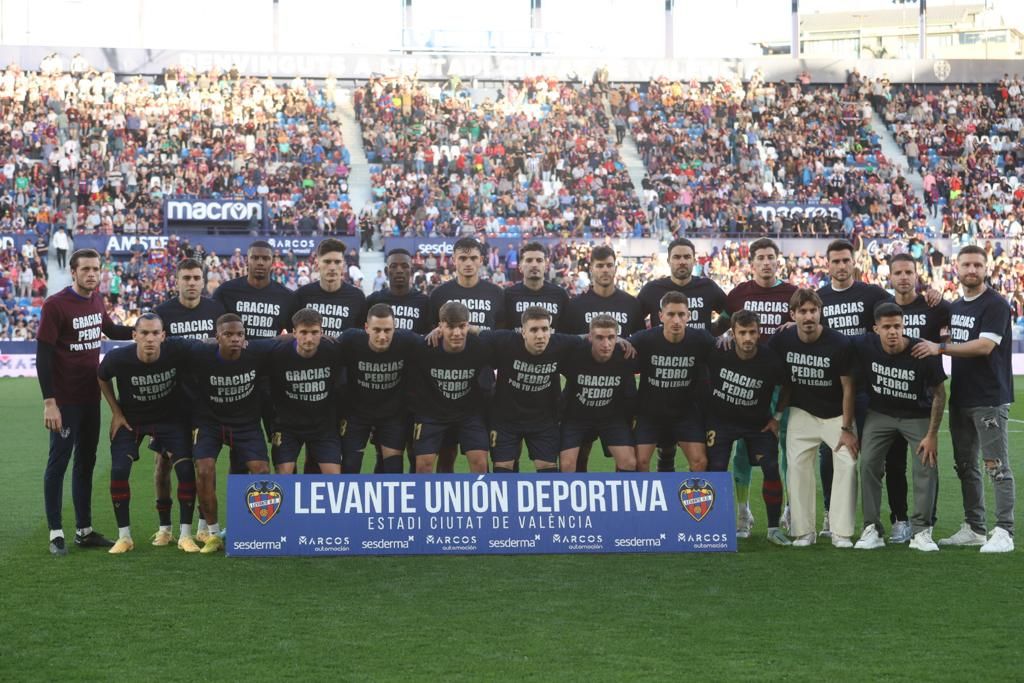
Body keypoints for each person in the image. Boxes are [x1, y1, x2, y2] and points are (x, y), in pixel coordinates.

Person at [912, 245, 1016, 553]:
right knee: (965, 465)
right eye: (966, 265)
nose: (972, 270)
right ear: (956, 269)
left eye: (977, 265)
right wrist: (933, 295)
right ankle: (975, 527)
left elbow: (984, 346)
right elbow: (936, 310)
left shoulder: (995, 304)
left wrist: (939, 348)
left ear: (986, 269)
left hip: (989, 397)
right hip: (962, 397)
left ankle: (1005, 531)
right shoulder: (956, 307)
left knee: (996, 465)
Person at [36, 248, 134, 555]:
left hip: (91, 397)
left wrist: (144, 329)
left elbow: (111, 329)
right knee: (59, 463)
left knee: (86, 463)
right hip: (64, 401)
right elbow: (43, 357)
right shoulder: (55, 305)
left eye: (96, 269)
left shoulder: (95, 300)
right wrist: (49, 402)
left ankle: (84, 529)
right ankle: (55, 533)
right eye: (86, 269)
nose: (92, 274)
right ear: (73, 272)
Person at [96, 313, 200, 554]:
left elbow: (207, 346)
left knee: (185, 470)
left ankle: (185, 535)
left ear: (164, 336)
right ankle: (125, 537)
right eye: (144, 333)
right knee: (119, 470)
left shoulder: (177, 349)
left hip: (169, 419)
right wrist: (116, 412)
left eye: (155, 333)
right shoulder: (118, 358)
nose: (150, 338)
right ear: (134, 336)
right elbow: (101, 377)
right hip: (132, 420)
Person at [717, 237, 798, 537]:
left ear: (778, 261)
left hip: (783, 383)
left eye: (770, 257)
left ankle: (791, 508)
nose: (766, 262)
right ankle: (742, 512)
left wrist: (796, 324)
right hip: (746, 385)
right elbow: (719, 326)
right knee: (741, 450)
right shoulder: (738, 293)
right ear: (751, 263)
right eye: (760, 257)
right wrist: (723, 335)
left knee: (788, 447)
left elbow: (815, 321)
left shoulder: (793, 294)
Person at [853, 303, 946, 552]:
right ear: (876, 329)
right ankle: (871, 528)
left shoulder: (921, 351)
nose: (892, 332)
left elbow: (940, 394)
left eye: (897, 326)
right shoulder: (865, 345)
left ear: (904, 326)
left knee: (926, 463)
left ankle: (921, 531)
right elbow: (834, 342)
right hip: (880, 413)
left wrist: (932, 434)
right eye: (886, 327)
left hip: (916, 415)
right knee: (869, 463)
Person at [815, 238, 891, 537]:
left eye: (846, 260)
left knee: (873, 456)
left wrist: (932, 297)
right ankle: (829, 513)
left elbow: (898, 312)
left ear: (854, 262)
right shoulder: (819, 298)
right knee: (829, 454)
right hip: (830, 389)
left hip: (868, 387)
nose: (841, 266)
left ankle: (879, 519)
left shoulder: (872, 293)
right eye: (835, 261)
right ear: (827, 264)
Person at [770, 289, 858, 548]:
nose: (808, 316)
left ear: (821, 312)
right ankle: (803, 531)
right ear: (793, 315)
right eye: (803, 311)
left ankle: (841, 532)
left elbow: (848, 388)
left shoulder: (839, 343)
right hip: (801, 411)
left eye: (813, 311)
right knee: (796, 467)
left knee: (848, 463)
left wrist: (847, 427)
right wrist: (776, 416)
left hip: (835, 414)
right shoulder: (782, 340)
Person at [184, 314, 277, 554]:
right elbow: (172, 347)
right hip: (210, 423)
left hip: (246, 423)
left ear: (245, 338)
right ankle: (213, 534)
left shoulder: (256, 352)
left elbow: (286, 339)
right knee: (204, 469)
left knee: (262, 473)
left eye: (239, 335)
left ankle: (254, 529)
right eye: (228, 335)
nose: (235, 339)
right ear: (217, 338)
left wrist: (326, 337)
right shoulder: (200, 354)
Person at [636, 238, 725, 474]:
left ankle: (692, 504)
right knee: (652, 455)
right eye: (677, 257)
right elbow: (635, 320)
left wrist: (717, 332)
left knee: (701, 455)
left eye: (687, 257)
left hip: (696, 384)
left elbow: (729, 311)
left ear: (694, 260)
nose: (682, 261)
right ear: (669, 261)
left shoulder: (707, 287)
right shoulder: (652, 290)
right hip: (653, 394)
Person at [154, 258, 225, 541]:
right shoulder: (162, 312)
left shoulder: (216, 310)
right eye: (187, 278)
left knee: (204, 463)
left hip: (204, 400)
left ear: (203, 280)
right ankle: (164, 529)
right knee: (163, 463)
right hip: (170, 399)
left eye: (197, 278)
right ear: (177, 281)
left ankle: (203, 527)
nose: (192, 283)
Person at [705, 310, 789, 546]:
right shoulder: (717, 352)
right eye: (742, 333)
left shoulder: (770, 359)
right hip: (721, 421)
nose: (748, 338)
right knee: (717, 468)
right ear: (733, 334)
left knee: (771, 467)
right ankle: (717, 528)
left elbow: (786, 387)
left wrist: (777, 417)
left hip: (757, 424)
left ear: (759, 332)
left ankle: (773, 528)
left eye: (752, 332)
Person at [561, 245, 644, 472]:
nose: (605, 270)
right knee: (580, 456)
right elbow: (565, 346)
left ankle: (619, 506)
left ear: (616, 268)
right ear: (591, 269)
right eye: (599, 266)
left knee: (628, 459)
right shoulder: (576, 305)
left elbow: (637, 345)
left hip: (618, 394)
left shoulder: (631, 303)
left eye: (609, 265)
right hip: (581, 392)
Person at [886, 252, 951, 540]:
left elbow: (955, 323)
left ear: (917, 274)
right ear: (889, 276)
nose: (903, 277)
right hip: (890, 397)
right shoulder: (882, 307)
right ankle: (899, 520)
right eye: (897, 272)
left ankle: (927, 522)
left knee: (925, 463)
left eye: (908, 272)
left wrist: (937, 292)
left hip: (926, 399)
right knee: (894, 465)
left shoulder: (934, 306)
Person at [427, 238, 505, 472]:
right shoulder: (440, 293)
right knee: (446, 453)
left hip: (483, 383)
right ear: (454, 261)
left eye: (473, 258)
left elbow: (502, 336)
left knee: (483, 456)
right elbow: (431, 337)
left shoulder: (496, 293)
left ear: (481, 260)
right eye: (463, 258)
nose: (468, 263)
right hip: (447, 385)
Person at [484, 306, 583, 473]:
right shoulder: (505, 341)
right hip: (505, 419)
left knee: (547, 469)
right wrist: (441, 330)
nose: (540, 335)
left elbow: (589, 338)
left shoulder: (560, 343)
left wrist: (618, 340)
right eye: (534, 330)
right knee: (503, 469)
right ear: (523, 332)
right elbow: (476, 333)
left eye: (545, 329)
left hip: (543, 421)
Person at [629, 291, 713, 473]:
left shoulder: (701, 339)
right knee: (639, 463)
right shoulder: (644, 339)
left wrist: (728, 341)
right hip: (649, 413)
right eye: (671, 314)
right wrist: (621, 341)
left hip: (685, 413)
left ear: (688, 316)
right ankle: (649, 500)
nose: (676, 320)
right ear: (660, 316)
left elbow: (722, 354)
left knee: (700, 462)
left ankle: (689, 500)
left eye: (681, 314)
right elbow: (621, 347)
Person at [409, 302, 492, 474]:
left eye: (462, 326)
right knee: (423, 465)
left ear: (468, 326)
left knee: (480, 463)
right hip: (431, 413)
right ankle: (426, 500)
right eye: (450, 327)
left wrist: (476, 330)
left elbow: (503, 339)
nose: (457, 333)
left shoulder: (480, 346)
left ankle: (478, 500)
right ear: (440, 327)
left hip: (469, 413)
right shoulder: (424, 346)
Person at [338, 303, 420, 474]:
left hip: (392, 415)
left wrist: (438, 332)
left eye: (387, 330)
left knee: (393, 468)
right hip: (357, 414)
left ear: (395, 329)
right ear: (366, 328)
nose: (382, 336)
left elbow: (432, 343)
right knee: (350, 465)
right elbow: (325, 348)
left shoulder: (407, 341)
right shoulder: (350, 340)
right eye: (376, 330)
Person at [266, 308, 343, 475]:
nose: (309, 338)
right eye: (304, 332)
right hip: (288, 427)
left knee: (335, 478)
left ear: (322, 332)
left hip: (323, 427)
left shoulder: (334, 351)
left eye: (314, 332)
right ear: (294, 333)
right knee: (284, 475)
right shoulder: (277, 353)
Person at [558, 314, 637, 473]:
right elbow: (554, 342)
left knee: (629, 462)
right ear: (590, 337)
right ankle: (574, 497)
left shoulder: (624, 356)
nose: (606, 344)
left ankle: (619, 497)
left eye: (611, 337)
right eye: (600, 337)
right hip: (576, 417)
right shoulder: (574, 354)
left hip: (611, 417)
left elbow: (630, 395)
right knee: (567, 465)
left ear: (617, 337)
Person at [212, 240, 293, 339]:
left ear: (272, 262)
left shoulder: (287, 296)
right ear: (246, 261)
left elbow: (295, 335)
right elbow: (213, 330)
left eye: (265, 258)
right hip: (237, 354)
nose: (260, 262)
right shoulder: (225, 291)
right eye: (255, 258)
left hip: (270, 353)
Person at [289, 238, 366, 338]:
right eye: (327, 262)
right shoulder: (302, 295)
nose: (332, 267)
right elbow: (292, 333)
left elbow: (361, 337)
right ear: (317, 264)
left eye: (337, 262)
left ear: (343, 265)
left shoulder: (357, 297)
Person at [503, 242, 570, 332]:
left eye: (539, 260)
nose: (534, 264)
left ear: (546, 266)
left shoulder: (560, 295)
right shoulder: (508, 295)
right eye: (529, 260)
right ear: (520, 267)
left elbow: (566, 334)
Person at [366, 249, 432, 334]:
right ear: (386, 272)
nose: (399, 271)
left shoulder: (424, 302)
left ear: (411, 271)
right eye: (393, 266)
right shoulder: (373, 300)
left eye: (404, 266)